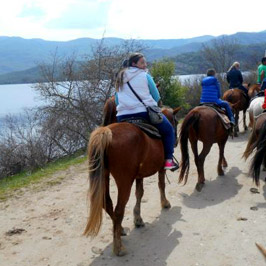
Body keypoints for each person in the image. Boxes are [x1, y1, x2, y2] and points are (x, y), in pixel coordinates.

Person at [115, 53, 178, 171]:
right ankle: (168, 160)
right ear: (134, 64)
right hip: (143, 113)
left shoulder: (120, 77)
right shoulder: (145, 75)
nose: (145, 65)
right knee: (169, 130)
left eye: (145, 62)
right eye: (142, 62)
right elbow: (156, 96)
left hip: (122, 116)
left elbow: (117, 100)